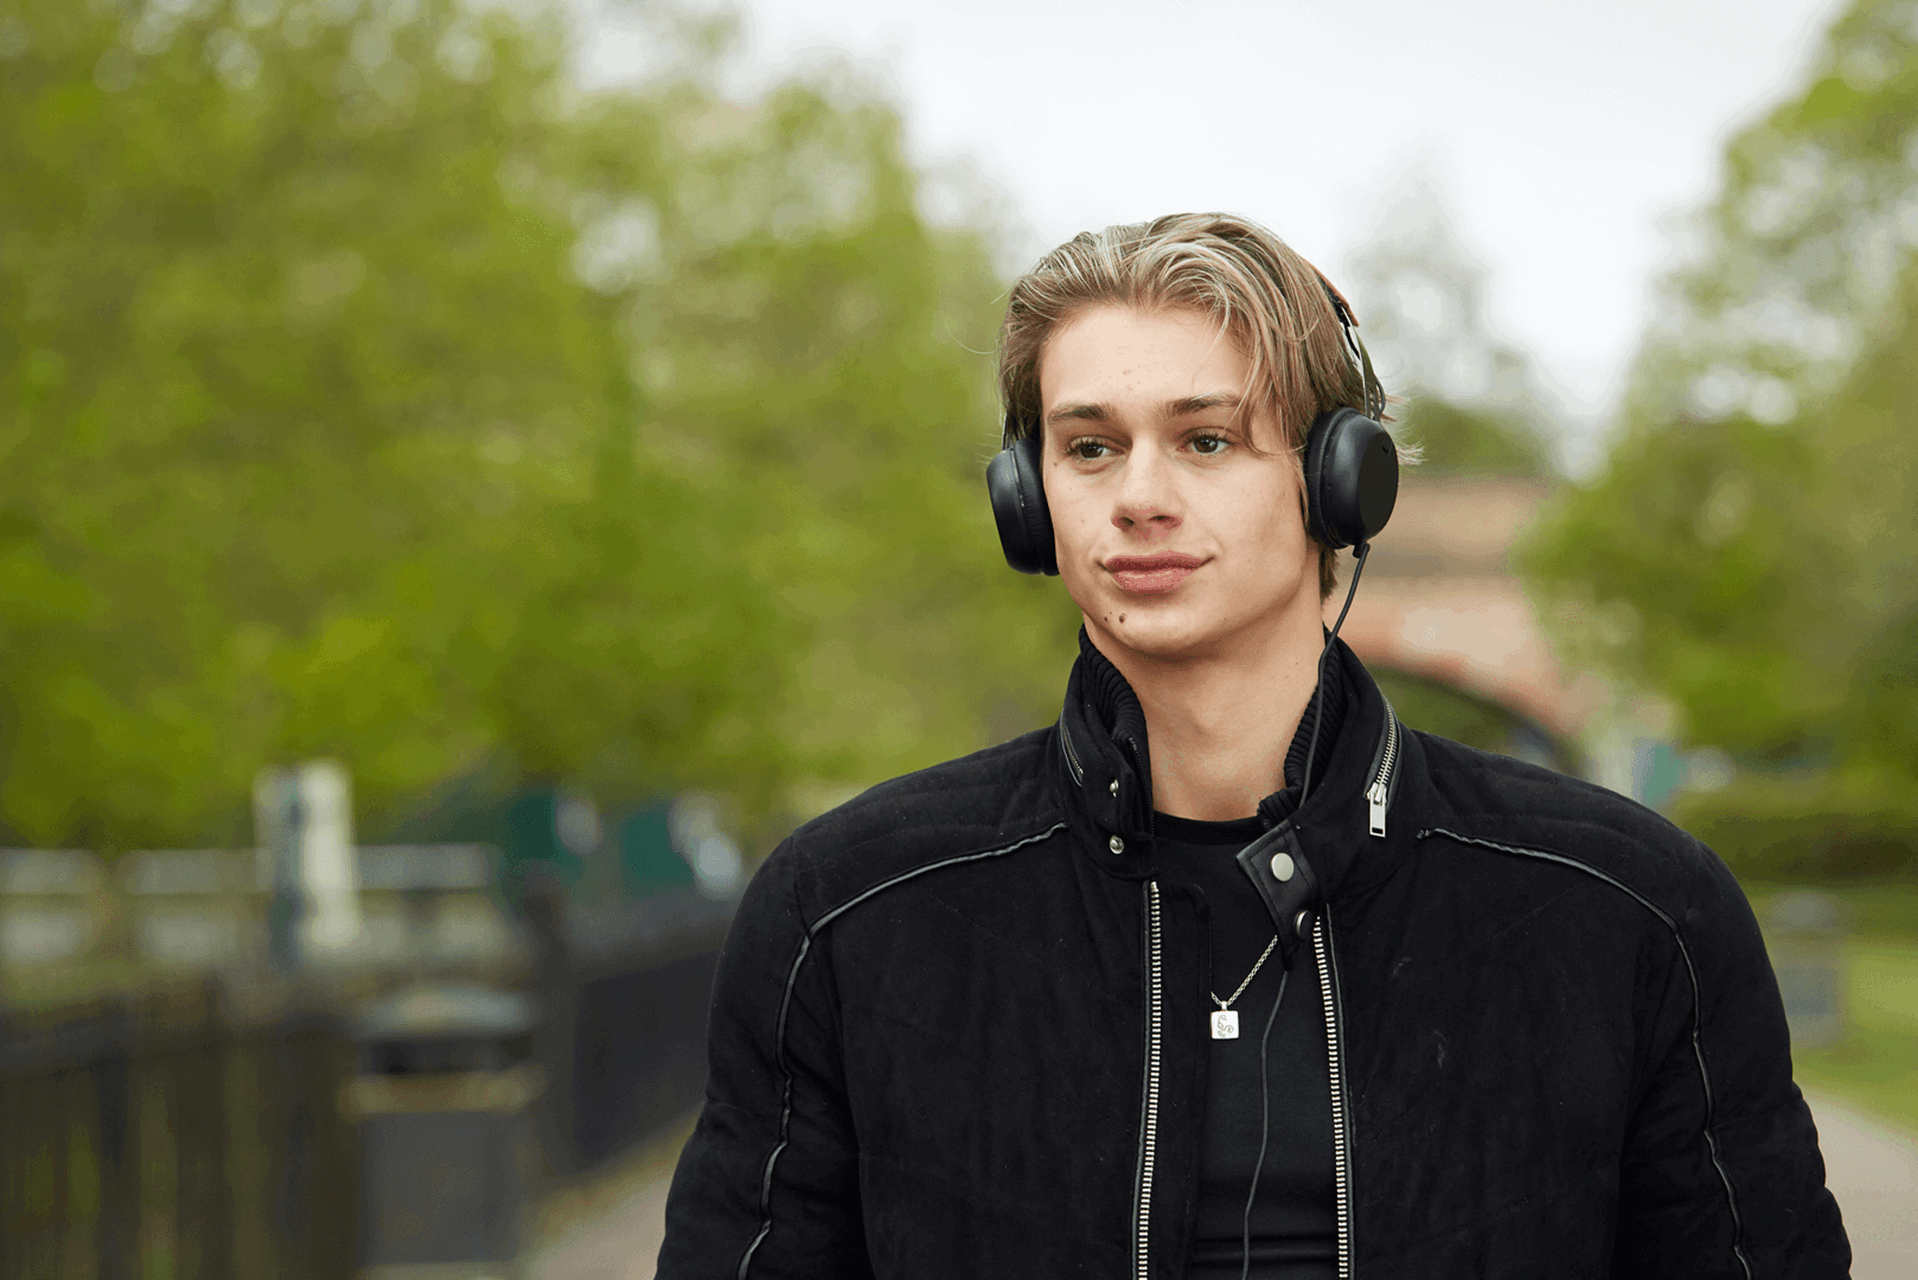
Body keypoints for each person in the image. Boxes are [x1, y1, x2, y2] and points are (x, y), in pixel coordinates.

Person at [657, 213, 1849, 1278]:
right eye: (1088, 446)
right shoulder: (847, 912)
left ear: (1342, 485)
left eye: (1207, 441)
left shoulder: (1631, 910)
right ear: (1028, 502)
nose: (1139, 495)